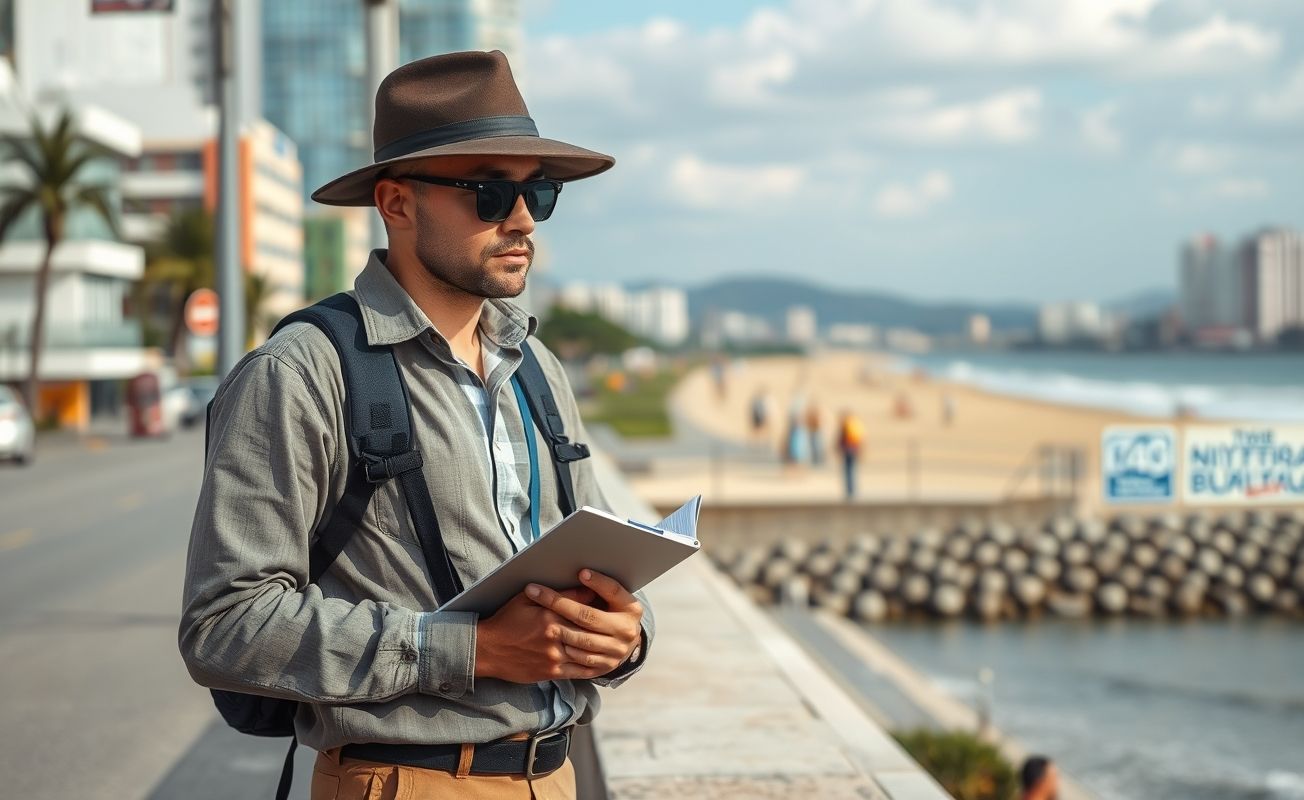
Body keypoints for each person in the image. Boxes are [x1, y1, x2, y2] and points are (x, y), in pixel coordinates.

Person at [179, 51, 653, 800]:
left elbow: (591, 558)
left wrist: (626, 635)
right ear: (397, 203)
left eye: (540, 192)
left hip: (554, 776)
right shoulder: (304, 372)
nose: (523, 218)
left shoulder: (538, 367)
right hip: (408, 781)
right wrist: (466, 650)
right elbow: (226, 623)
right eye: (490, 193)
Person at [837, 410, 865, 499]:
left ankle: (850, 490)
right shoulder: (855, 424)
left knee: (848, 470)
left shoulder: (846, 425)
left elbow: (841, 439)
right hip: (854, 449)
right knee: (852, 470)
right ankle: (852, 489)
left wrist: (838, 448)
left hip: (848, 450)